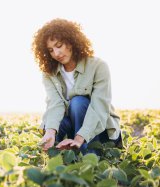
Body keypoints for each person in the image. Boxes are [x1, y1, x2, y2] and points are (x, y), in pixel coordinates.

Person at [31, 18, 122, 155]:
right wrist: (50, 131)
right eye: (51, 50)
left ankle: (90, 157)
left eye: (59, 45)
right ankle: (61, 156)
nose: (56, 53)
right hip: (72, 127)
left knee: (78, 102)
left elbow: (99, 107)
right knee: (52, 124)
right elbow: (55, 104)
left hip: (98, 131)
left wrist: (79, 138)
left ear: (71, 41)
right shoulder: (49, 74)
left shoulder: (98, 66)